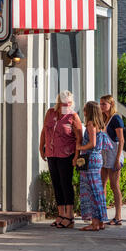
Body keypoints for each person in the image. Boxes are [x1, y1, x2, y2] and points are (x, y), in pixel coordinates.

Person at [40, 91, 83, 228]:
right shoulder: (50, 113)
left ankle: (69, 216)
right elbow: (44, 130)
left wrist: (76, 156)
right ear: (59, 102)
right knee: (56, 183)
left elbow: (79, 138)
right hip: (52, 153)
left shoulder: (73, 116)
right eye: (64, 103)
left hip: (67, 154)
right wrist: (42, 147)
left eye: (69, 103)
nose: (67, 105)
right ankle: (60, 214)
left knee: (66, 184)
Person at [76, 101, 113, 231]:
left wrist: (80, 147)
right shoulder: (100, 125)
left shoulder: (91, 124)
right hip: (97, 159)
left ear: (90, 111)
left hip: (90, 158)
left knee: (91, 191)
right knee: (98, 190)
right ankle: (101, 221)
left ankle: (95, 223)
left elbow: (92, 143)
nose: (84, 111)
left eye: (85, 109)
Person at [100, 95, 125, 226]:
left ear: (111, 104)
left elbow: (121, 140)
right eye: (100, 104)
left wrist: (117, 159)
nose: (101, 106)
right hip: (104, 155)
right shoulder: (104, 118)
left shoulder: (116, 119)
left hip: (114, 154)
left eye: (104, 104)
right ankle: (101, 214)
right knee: (102, 184)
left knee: (114, 185)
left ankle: (118, 216)